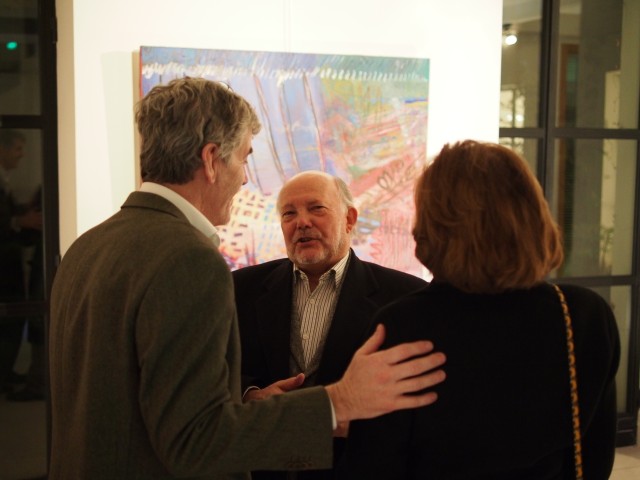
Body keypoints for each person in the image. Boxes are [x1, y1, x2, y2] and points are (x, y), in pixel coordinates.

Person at [48, 77, 447, 480]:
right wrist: (336, 403)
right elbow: (196, 441)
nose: (243, 179)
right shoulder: (189, 258)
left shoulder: (86, 247)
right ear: (210, 160)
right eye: (243, 159)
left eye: (317, 209)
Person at [340, 140, 620, 479]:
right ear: (533, 214)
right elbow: (594, 459)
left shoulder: (402, 326)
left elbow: (371, 465)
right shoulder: (582, 315)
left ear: (433, 227)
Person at [233, 170, 428, 480]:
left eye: (317, 208)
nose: (302, 222)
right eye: (289, 214)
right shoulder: (239, 289)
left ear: (349, 219)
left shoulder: (405, 297)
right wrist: (249, 394)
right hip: (260, 467)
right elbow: (213, 370)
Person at [0, 129, 42, 396]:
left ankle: (5, 372)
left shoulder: (5, 180)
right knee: (9, 325)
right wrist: (20, 221)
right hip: (4, 270)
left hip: (9, 267)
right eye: (17, 148)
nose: (21, 154)